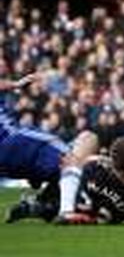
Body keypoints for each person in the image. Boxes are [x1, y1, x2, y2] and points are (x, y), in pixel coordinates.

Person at [1, 72, 100, 223]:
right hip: (13, 140)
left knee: (87, 140)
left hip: (9, 161)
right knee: (71, 159)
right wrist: (15, 84)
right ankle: (66, 211)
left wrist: (13, 84)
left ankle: (38, 206)